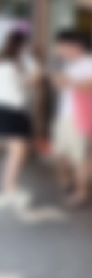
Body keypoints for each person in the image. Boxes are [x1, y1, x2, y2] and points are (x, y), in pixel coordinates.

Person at [52, 28, 92, 208]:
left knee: (80, 157)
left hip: (81, 118)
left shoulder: (91, 63)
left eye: (62, 47)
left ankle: (83, 193)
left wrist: (69, 82)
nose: (59, 51)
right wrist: (60, 83)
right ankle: (69, 184)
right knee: (60, 154)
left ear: (75, 46)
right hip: (64, 117)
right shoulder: (70, 65)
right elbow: (65, 89)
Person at [0, 28, 38, 210]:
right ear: (20, 45)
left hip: (9, 112)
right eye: (27, 45)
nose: (28, 49)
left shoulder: (8, 64)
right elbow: (19, 92)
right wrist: (32, 79)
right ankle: (10, 191)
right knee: (16, 154)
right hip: (12, 112)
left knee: (15, 154)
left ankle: (10, 190)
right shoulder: (9, 67)